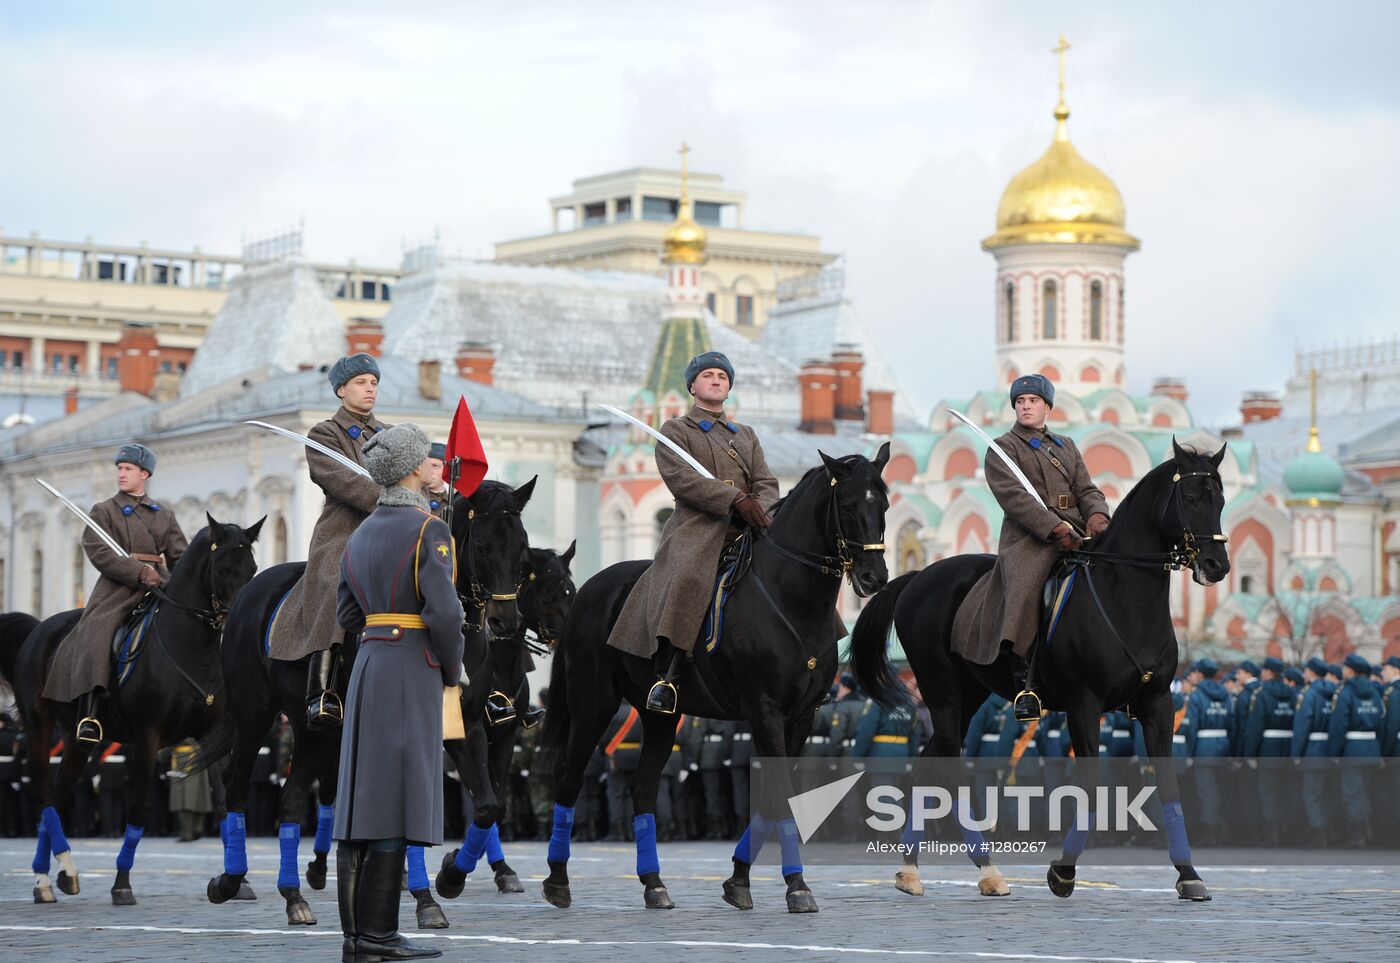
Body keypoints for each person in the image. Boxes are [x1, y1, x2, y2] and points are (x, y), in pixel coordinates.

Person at [332, 422, 465, 963]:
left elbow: (345, 613)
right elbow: (445, 614)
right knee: (396, 800)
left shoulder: (359, 533)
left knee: (365, 800)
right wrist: (452, 670)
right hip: (412, 663)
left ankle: (358, 936)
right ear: (414, 467)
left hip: (368, 663)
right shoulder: (429, 528)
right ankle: (380, 937)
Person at [607, 352, 780, 714]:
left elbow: (765, 479)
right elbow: (685, 481)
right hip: (700, 527)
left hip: (750, 527)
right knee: (687, 576)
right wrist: (734, 499)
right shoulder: (677, 431)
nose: (716, 380)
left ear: (729, 387)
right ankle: (666, 675)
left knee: (792, 571)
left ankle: (812, 665)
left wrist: (759, 506)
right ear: (693, 386)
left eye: (722, 376)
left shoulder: (745, 435)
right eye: (708, 375)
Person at [951, 374, 1111, 721]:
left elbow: (1086, 489)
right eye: (1020, 401)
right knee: (1027, 587)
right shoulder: (1003, 448)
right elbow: (1015, 498)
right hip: (1030, 539)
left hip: (1080, 532)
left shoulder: (1066, 445)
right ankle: (1027, 680)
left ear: (1047, 407)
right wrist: (1053, 528)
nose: (1026, 406)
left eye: (1033, 401)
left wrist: (1098, 516)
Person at [268, 353, 390, 730]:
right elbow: (342, 481)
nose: (369, 388)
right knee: (334, 576)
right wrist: (388, 497)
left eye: (373, 382)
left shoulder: (388, 434)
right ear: (341, 390)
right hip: (344, 529)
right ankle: (322, 689)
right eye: (360, 382)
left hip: (389, 527)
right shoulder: (324, 434)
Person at [43, 444, 188, 743]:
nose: (121, 474)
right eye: (119, 468)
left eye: (128, 469)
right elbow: (98, 552)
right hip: (117, 589)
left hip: (159, 586)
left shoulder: (164, 515)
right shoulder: (104, 511)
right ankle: (90, 711)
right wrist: (137, 571)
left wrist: (179, 582)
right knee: (97, 631)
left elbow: (179, 557)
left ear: (144, 474)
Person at [1326, 653, 1385, 844]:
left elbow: (1338, 726)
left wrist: (1334, 753)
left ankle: (1358, 833)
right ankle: (1369, 829)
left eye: (1345, 668)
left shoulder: (1345, 693)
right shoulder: (1375, 693)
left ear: (1350, 671)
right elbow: (1382, 723)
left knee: (1353, 793)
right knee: (1367, 791)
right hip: (1372, 748)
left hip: (1352, 749)